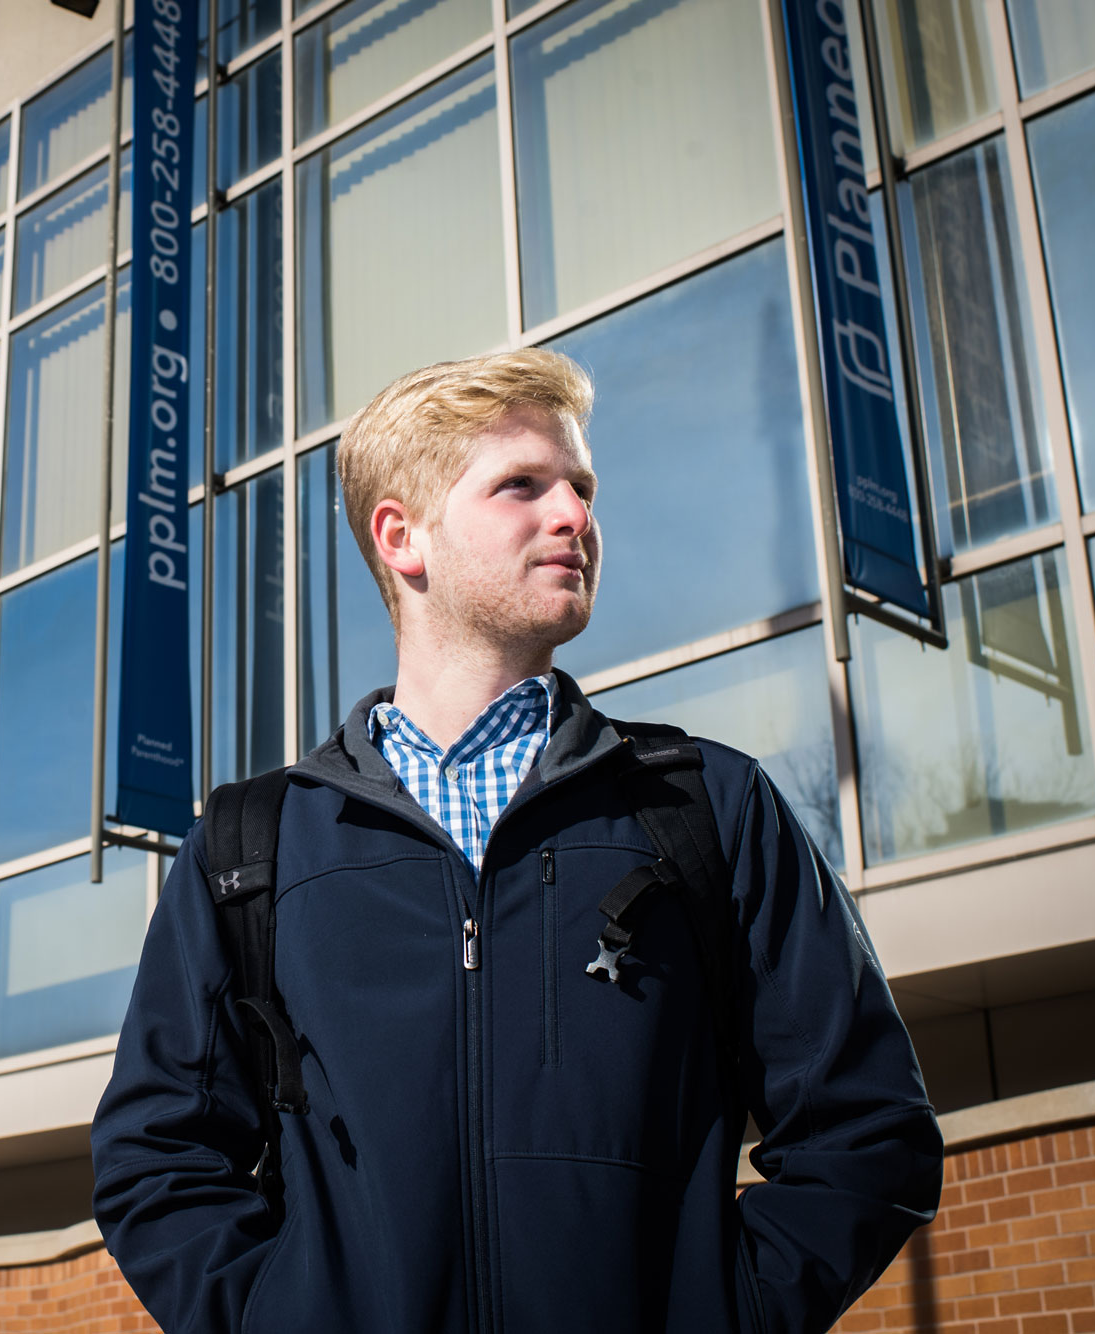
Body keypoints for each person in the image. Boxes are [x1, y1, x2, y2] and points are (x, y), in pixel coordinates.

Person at [90, 349, 942, 1333]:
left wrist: (724, 1312)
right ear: (401, 537)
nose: (574, 516)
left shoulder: (707, 804)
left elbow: (866, 1126)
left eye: (579, 487)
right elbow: (156, 1156)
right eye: (520, 486)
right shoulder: (252, 845)